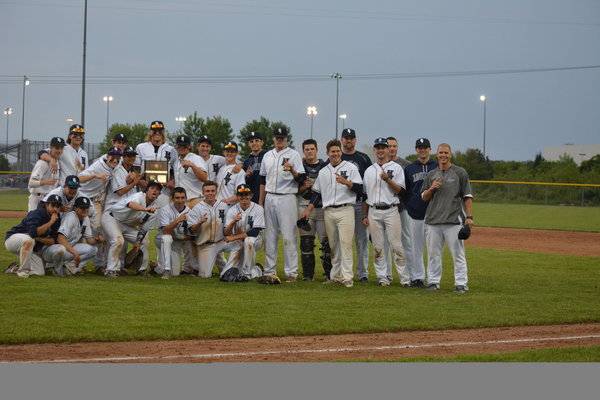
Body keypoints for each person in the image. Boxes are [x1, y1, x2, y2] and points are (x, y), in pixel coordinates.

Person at [301, 139, 363, 288]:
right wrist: (308, 210)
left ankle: (347, 276)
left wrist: (347, 182)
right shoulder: (323, 171)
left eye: (337, 151)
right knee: (333, 245)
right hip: (328, 210)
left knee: (346, 244)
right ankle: (335, 276)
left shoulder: (350, 168)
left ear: (340, 152)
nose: (335, 154)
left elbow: (360, 189)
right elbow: (316, 194)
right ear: (327, 153)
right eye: (332, 151)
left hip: (346, 209)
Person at [421, 143, 474, 293]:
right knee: (433, 255)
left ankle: (461, 284)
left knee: (458, 254)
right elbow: (424, 197)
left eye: (446, 153)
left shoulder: (460, 173)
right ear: (436, 155)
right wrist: (431, 188)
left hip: (453, 221)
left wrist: (469, 217)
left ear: (450, 155)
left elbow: (467, 197)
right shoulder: (431, 174)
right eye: (441, 153)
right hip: (433, 221)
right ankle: (433, 282)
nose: (443, 155)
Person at [259, 126, 305, 282]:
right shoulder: (267, 155)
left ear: (286, 139)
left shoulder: (294, 155)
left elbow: (302, 179)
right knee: (270, 237)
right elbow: (262, 180)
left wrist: (292, 170)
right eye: (277, 137)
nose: (280, 140)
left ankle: (291, 273)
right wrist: (261, 201)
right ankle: (269, 270)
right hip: (270, 197)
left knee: (288, 236)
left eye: (282, 137)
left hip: (287, 197)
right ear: (273, 138)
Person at [361, 138, 408, 286]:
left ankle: (405, 279)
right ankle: (382, 278)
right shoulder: (369, 170)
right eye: (378, 147)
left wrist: (387, 179)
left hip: (391, 210)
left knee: (396, 246)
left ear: (388, 150)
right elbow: (365, 196)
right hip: (373, 211)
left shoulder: (396, 168)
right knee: (378, 247)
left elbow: (401, 191)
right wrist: (364, 215)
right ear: (374, 150)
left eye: (383, 147)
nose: (380, 150)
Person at [102, 180, 161, 278]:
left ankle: (140, 270)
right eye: (152, 188)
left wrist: (138, 241)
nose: (154, 191)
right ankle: (111, 270)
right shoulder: (139, 196)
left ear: (159, 194)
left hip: (128, 225)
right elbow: (131, 204)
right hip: (112, 218)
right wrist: (145, 209)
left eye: (157, 189)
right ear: (146, 190)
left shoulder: (154, 209)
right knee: (118, 240)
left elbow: (144, 228)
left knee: (144, 242)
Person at [78, 147, 122, 274]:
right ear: (107, 156)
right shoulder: (98, 165)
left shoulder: (116, 165)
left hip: (96, 200)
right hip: (83, 198)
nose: (115, 159)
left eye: (118, 157)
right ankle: (77, 263)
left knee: (98, 230)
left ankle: (99, 264)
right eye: (113, 157)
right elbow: (79, 178)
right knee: (80, 231)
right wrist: (94, 175)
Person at [404, 138, 439, 287]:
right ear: (416, 150)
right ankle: (417, 277)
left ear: (430, 149)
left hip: (434, 215)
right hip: (415, 215)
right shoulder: (410, 168)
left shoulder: (437, 166)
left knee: (433, 250)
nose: (422, 150)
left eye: (425, 147)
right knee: (415, 249)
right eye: (420, 147)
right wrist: (410, 206)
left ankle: (433, 279)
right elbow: (405, 191)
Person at [296, 138, 332, 281]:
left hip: (322, 207)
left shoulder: (325, 166)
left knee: (326, 243)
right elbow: (292, 188)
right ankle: (308, 275)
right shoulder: (300, 167)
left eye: (312, 149)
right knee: (306, 242)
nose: (309, 152)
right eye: (307, 149)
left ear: (317, 150)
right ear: (303, 151)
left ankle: (329, 275)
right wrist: (302, 188)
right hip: (304, 205)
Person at [340, 128, 372, 282]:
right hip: (342, 203)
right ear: (342, 140)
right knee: (342, 239)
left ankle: (363, 273)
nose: (349, 140)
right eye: (346, 138)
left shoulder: (363, 158)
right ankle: (342, 271)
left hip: (359, 203)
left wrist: (367, 206)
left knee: (362, 240)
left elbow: (368, 183)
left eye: (351, 138)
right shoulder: (335, 156)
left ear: (355, 140)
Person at [5, 194, 62, 278]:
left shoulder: (57, 219)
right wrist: (51, 222)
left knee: (39, 272)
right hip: (13, 239)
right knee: (29, 239)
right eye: (53, 205)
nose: (55, 209)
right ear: (46, 205)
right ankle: (23, 272)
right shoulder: (36, 214)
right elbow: (33, 233)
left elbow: (53, 241)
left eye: (58, 207)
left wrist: (38, 238)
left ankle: (14, 268)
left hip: (30, 246)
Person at [42, 196, 99, 276]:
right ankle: (55, 268)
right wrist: (75, 253)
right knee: (60, 249)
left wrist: (98, 240)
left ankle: (67, 268)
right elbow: (60, 238)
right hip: (51, 250)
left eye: (87, 207)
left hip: (67, 249)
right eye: (82, 207)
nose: (85, 210)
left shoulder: (85, 218)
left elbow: (89, 240)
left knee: (93, 249)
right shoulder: (70, 217)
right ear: (75, 208)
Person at [187, 181, 231, 278]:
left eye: (212, 191)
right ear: (203, 193)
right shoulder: (197, 208)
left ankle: (247, 270)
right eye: (207, 191)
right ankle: (225, 267)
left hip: (221, 242)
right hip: (206, 245)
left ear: (216, 192)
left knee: (240, 244)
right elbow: (192, 230)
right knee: (205, 275)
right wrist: (199, 222)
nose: (210, 193)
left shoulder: (223, 206)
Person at [222, 184, 265, 279]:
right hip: (238, 241)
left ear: (251, 196)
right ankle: (257, 270)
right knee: (226, 273)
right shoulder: (232, 210)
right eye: (241, 195)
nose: (244, 197)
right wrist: (233, 222)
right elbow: (226, 233)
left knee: (248, 240)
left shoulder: (258, 209)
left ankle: (247, 274)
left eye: (246, 194)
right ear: (237, 197)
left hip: (256, 240)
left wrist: (233, 237)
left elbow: (255, 232)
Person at [386, 136, 414, 283]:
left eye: (394, 146)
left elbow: (409, 189)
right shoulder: (379, 165)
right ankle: (387, 275)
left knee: (406, 241)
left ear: (397, 147)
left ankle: (410, 274)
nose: (392, 148)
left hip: (402, 208)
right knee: (386, 242)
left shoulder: (406, 165)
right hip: (385, 209)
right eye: (389, 146)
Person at [134, 120, 176, 208]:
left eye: (160, 131)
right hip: (145, 190)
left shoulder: (170, 149)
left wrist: (172, 181)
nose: (157, 133)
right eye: (154, 131)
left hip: (163, 191)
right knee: (144, 217)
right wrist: (139, 180)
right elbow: (135, 168)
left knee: (162, 218)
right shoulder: (141, 147)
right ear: (150, 132)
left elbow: (173, 170)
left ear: (164, 132)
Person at [154, 187, 191, 279]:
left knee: (176, 273)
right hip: (161, 239)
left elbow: (190, 235)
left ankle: (156, 268)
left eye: (182, 198)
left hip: (176, 241)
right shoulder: (165, 209)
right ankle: (167, 270)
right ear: (172, 199)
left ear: (186, 198)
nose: (180, 200)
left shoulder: (189, 211)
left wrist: (180, 237)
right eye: (177, 198)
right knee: (167, 238)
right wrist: (177, 220)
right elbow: (165, 231)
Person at [28, 137, 64, 211]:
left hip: (49, 200)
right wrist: (46, 182)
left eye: (61, 148)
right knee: (34, 222)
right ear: (51, 148)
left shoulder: (57, 162)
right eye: (57, 148)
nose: (59, 150)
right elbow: (31, 183)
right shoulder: (42, 163)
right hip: (37, 199)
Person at [173, 134, 208, 209]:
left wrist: (192, 165)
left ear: (189, 146)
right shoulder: (176, 161)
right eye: (179, 146)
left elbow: (204, 178)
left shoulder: (196, 158)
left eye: (184, 146)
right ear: (176, 146)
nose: (182, 148)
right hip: (182, 202)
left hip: (196, 199)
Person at [216, 141, 246, 207]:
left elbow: (241, 192)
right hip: (217, 205)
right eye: (227, 151)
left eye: (232, 152)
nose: (230, 153)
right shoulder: (221, 169)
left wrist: (228, 200)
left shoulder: (239, 171)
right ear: (223, 152)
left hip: (230, 206)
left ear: (237, 153)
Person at [242, 131, 266, 204]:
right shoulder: (247, 161)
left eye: (257, 141)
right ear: (248, 144)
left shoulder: (268, 156)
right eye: (251, 141)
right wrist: (247, 176)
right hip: (252, 197)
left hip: (268, 196)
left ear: (262, 142)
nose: (254, 143)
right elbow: (245, 181)